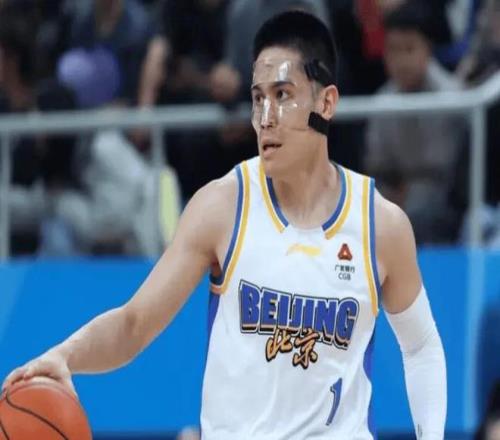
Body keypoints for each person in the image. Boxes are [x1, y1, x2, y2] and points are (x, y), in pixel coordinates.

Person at [2, 11, 447, 439]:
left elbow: (421, 346)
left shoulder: (379, 224)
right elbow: (134, 323)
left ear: (325, 102)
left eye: (283, 95)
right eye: (258, 98)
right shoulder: (222, 206)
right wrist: (66, 355)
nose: (266, 117)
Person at [364, 1, 465, 244]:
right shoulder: (381, 101)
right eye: (393, 50)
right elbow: (377, 168)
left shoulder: (453, 97)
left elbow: (443, 171)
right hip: (394, 198)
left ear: (427, 50)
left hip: (442, 203)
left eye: (409, 49)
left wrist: (405, 197)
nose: (401, 61)